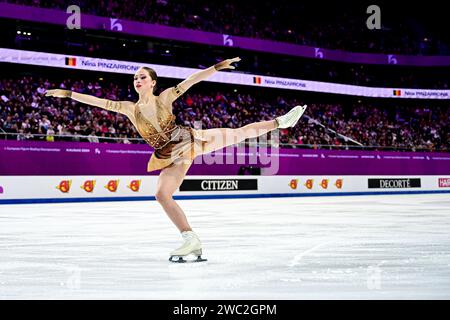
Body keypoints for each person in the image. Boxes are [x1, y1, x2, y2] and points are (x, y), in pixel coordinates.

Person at [45, 57, 307, 262]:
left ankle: (281, 122)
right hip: (168, 156)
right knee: (161, 194)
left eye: (142, 77)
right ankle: (190, 238)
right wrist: (68, 94)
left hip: (189, 140)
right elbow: (99, 102)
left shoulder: (166, 97)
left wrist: (216, 67)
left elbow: (192, 80)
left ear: (152, 82)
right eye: (135, 77)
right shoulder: (128, 108)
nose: (137, 80)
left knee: (238, 134)